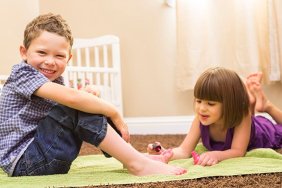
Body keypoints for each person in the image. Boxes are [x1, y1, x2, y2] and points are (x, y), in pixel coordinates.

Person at [0, 13, 186, 177]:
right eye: (42, 53)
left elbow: (68, 108)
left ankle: (131, 157)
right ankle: (136, 163)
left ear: (69, 58)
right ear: (24, 52)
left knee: (84, 103)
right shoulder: (21, 74)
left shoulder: (55, 82)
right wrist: (113, 111)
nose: (50, 62)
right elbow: (72, 100)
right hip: (25, 163)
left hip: (43, 154)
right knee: (77, 104)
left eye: (59, 56)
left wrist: (89, 98)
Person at [147, 67, 282, 166]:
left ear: (230, 104)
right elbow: (183, 150)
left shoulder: (242, 116)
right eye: (199, 101)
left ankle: (266, 105)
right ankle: (251, 98)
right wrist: (166, 153)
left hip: (264, 131)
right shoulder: (201, 117)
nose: (201, 108)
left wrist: (217, 154)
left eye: (210, 103)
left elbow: (237, 151)